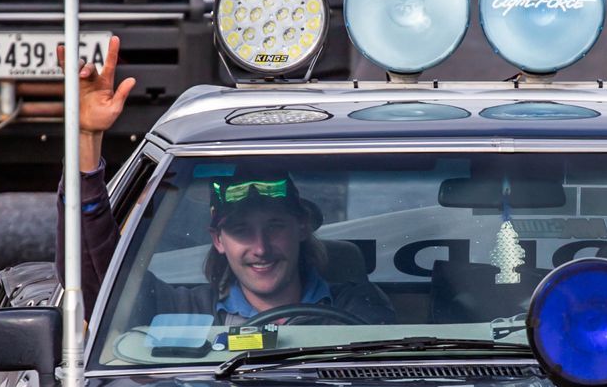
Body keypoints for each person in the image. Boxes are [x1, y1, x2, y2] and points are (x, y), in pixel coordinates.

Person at [60, 39, 387, 326]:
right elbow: (96, 282)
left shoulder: (360, 309)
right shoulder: (184, 311)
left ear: (301, 227)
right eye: (241, 230)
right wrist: (86, 138)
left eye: (275, 226)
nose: (260, 248)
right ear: (218, 240)